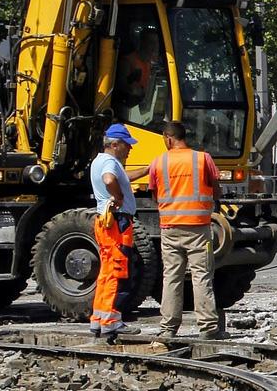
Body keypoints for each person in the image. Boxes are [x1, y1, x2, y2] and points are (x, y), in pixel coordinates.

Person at [147, 122, 225, 339]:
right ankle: (209, 328)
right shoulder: (202, 159)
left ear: (168, 139)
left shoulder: (158, 162)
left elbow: (154, 195)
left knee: (171, 276)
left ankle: (168, 328)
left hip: (170, 228)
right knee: (201, 276)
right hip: (198, 228)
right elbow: (216, 190)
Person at [89, 124, 142, 344]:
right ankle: (112, 322)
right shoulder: (110, 162)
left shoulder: (99, 161)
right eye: (126, 145)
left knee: (106, 271)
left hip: (105, 221)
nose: (129, 149)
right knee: (117, 271)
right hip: (117, 222)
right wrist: (119, 197)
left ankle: (99, 319)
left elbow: (121, 177)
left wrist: (148, 170)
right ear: (114, 145)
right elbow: (110, 179)